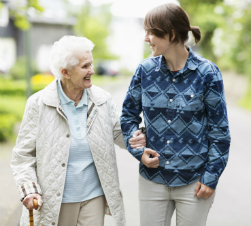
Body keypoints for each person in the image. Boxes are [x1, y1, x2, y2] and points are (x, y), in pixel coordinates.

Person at [11, 36, 146, 226]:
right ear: (65, 72)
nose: (92, 70)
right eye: (85, 66)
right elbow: (22, 156)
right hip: (55, 200)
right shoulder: (38, 103)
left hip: (94, 197)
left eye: (91, 64)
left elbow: (119, 133)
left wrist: (136, 136)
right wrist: (29, 189)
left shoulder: (102, 99)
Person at [120, 3, 231, 226]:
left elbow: (220, 131)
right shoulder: (145, 70)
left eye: (151, 32)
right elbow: (128, 116)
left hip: (195, 181)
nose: (146, 38)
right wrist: (137, 148)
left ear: (171, 34)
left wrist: (211, 177)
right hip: (152, 179)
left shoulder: (207, 73)